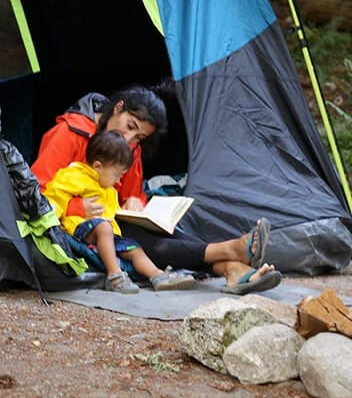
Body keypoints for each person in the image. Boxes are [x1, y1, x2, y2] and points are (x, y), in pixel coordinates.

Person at [31, 85, 282, 294]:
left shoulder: (130, 149)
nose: (130, 140)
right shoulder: (69, 132)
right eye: (129, 126)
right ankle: (229, 251)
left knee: (162, 228)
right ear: (118, 107)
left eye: (139, 137)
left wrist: (134, 202)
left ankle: (232, 268)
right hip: (76, 226)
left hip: (111, 217)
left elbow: (132, 192)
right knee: (135, 237)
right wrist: (78, 207)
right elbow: (35, 192)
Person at [43, 130, 197, 293]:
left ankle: (158, 276)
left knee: (134, 248)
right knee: (104, 228)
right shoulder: (74, 176)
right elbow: (54, 196)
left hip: (109, 234)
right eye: (117, 175)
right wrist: (54, 220)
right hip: (79, 230)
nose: (118, 181)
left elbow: (111, 210)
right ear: (97, 166)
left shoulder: (109, 188)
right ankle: (114, 276)